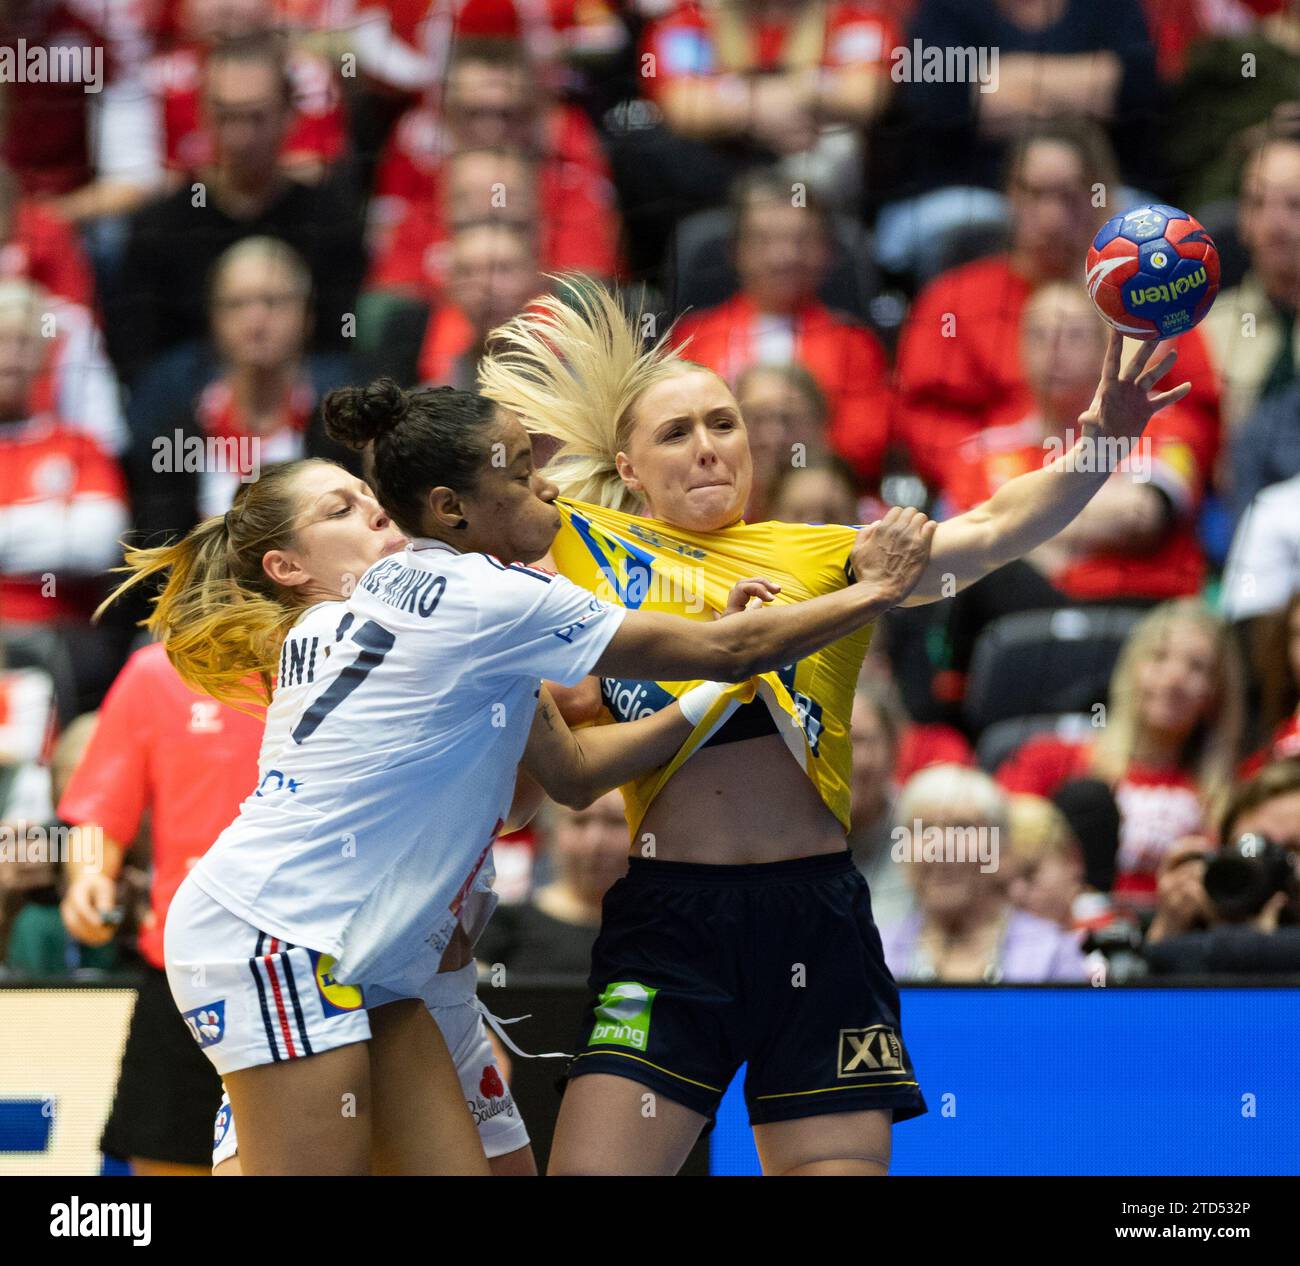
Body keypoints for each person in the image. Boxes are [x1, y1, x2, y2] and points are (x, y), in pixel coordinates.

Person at [106, 382, 936, 1174]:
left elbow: (562, 779)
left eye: (365, 501)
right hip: (284, 935)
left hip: (395, 953)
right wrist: (879, 589)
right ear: (451, 506)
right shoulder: (483, 600)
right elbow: (731, 649)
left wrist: (714, 693)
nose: (547, 485)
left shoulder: (367, 614)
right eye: (517, 470)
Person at [477, 277, 1189, 1175]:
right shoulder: (578, 544)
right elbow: (466, 498)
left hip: (814, 917)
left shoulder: (822, 551)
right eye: (676, 432)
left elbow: (998, 528)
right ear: (626, 467)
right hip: (668, 928)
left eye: (723, 424)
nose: (707, 449)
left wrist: (1102, 444)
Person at [57, 642, 265, 1175]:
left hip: (323, 974)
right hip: (183, 980)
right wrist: (88, 878)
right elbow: (99, 812)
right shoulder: (157, 673)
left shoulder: (353, 657)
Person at [996, 599, 1246, 913]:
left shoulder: (1229, 796)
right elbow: (1000, 851)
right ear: (1131, 669)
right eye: (1158, 657)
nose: (1174, 678)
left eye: (1197, 667)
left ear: (1216, 693)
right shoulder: (1050, 760)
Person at [127, 235, 357, 539]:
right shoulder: (174, 433)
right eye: (237, 304)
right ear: (214, 319)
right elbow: (155, 556)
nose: (256, 320)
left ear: (307, 315)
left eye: (274, 302)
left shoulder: (344, 433)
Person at [669, 172, 892, 484]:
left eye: (801, 241)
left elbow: (866, 442)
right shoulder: (693, 338)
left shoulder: (854, 344)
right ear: (736, 251)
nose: (783, 256)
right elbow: (671, 432)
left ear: (826, 252)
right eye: (764, 240)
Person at [877, 765, 1090, 983]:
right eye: (923, 829)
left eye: (963, 827)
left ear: (1002, 849)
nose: (940, 846)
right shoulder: (874, 956)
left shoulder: (1051, 955)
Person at [475, 790, 631, 977]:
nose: (596, 843)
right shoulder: (502, 928)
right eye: (579, 822)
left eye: (616, 822)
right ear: (549, 834)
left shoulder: (662, 930)